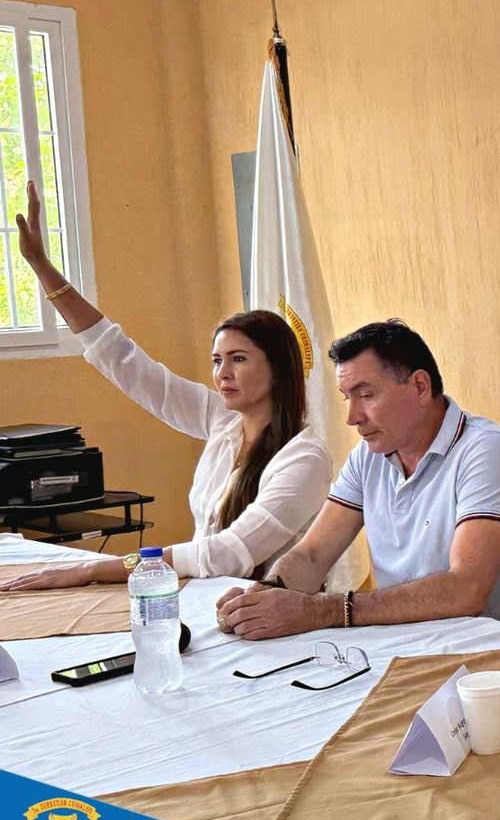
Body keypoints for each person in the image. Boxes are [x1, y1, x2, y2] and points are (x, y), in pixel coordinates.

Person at [0, 180, 331, 590]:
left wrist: (93, 569)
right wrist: (43, 269)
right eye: (217, 361)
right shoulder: (223, 422)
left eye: (239, 359)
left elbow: (226, 553)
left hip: (265, 611)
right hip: (201, 596)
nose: (223, 373)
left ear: (279, 368)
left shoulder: (304, 457)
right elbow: (126, 363)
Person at [215, 320, 500, 638]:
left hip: (495, 656)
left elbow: (466, 589)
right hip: (404, 645)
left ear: (420, 386)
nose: (352, 417)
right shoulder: (368, 455)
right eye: (347, 397)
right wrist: (264, 597)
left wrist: (322, 611)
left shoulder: (486, 449)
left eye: (366, 395)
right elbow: (312, 555)